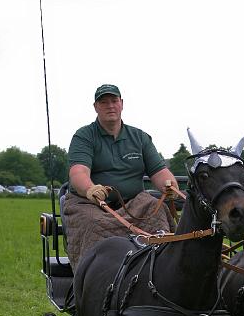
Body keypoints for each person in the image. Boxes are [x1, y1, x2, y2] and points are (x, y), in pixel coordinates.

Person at [63, 83, 179, 270]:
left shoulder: (140, 137)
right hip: (90, 205)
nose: (110, 106)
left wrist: (169, 184)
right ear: (95, 107)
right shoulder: (84, 136)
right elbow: (78, 172)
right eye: (104, 102)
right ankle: (93, 280)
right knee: (94, 224)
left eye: (114, 101)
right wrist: (90, 189)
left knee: (158, 210)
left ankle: (160, 271)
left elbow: (159, 172)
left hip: (134, 203)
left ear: (121, 104)